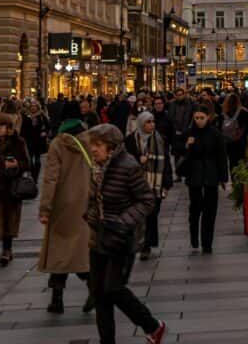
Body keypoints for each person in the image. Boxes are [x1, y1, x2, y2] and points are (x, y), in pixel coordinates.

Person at [85, 124, 165, 344]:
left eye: (98, 145)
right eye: (92, 145)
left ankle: (152, 325)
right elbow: (93, 199)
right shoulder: (96, 167)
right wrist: (90, 215)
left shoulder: (128, 166)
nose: (93, 149)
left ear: (111, 147)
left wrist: (122, 221)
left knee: (114, 288)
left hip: (121, 237)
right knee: (99, 292)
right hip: (98, 234)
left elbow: (147, 200)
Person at [38, 100, 94, 314]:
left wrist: (45, 207)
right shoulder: (90, 139)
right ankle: (90, 287)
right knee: (78, 250)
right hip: (85, 201)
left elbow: (51, 178)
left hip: (62, 203)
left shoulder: (58, 143)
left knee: (60, 251)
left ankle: (57, 299)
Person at [125, 110, 173, 261]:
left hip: (155, 185)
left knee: (152, 214)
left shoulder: (160, 139)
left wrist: (167, 183)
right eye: (148, 122)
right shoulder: (131, 140)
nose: (152, 125)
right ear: (141, 123)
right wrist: (139, 160)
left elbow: (165, 162)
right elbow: (125, 160)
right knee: (141, 215)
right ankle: (143, 245)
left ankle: (148, 243)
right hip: (137, 184)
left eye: (153, 122)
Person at [0, 112, 31, 265]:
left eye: (1, 126)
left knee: (9, 218)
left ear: (9, 127)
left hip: (12, 186)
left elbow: (26, 163)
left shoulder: (18, 142)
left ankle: (7, 249)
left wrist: (16, 164)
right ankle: (4, 247)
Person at [183, 106, 228, 254]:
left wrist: (223, 177)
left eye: (202, 118)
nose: (199, 121)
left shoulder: (215, 133)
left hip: (211, 175)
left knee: (210, 211)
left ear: (208, 117)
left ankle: (207, 243)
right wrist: (187, 146)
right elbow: (179, 153)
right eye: (196, 118)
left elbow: (221, 156)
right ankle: (194, 237)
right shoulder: (189, 133)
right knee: (195, 209)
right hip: (194, 175)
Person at [20, 100, 49, 183]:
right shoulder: (25, 116)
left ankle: (35, 176)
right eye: (31, 107)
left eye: (34, 106)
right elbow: (22, 128)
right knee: (29, 159)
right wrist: (22, 138)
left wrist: (45, 132)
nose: (33, 108)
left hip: (38, 141)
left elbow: (47, 126)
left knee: (37, 160)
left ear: (37, 107)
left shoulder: (41, 116)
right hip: (28, 141)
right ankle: (32, 174)